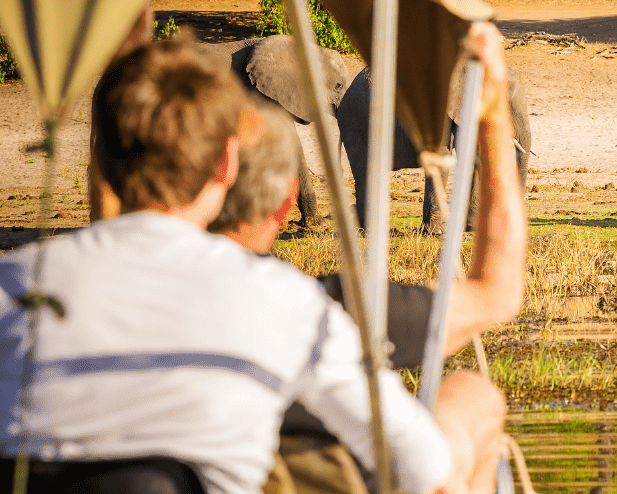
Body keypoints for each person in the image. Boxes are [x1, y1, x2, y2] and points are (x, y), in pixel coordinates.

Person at [0, 34, 453, 494]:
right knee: (463, 409)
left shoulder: (10, 286)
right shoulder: (280, 299)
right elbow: (424, 463)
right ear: (226, 164)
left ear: (98, 157)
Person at [210, 22, 525, 494]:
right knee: (472, 397)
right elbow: (498, 295)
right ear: (286, 200)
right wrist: (494, 117)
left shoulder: (69, 288)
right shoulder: (317, 310)